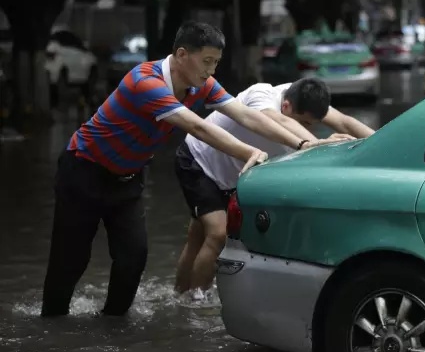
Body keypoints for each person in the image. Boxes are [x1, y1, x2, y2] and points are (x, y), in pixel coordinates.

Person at [41, 21, 345, 317]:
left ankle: (111, 325)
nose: (211, 70)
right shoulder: (144, 81)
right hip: (84, 171)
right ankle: (52, 324)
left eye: (216, 63)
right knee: (71, 259)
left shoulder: (203, 85)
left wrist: (303, 144)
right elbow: (198, 127)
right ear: (182, 55)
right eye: (207, 61)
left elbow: (246, 116)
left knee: (133, 257)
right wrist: (250, 151)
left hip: (128, 179)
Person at [174, 78, 375, 296]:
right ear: (286, 106)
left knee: (198, 237)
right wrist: (313, 145)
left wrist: (386, 143)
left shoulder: (305, 100)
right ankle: (197, 302)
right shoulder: (262, 95)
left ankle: (180, 296)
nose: (308, 128)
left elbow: (345, 122)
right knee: (218, 235)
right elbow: (277, 119)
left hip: (229, 175)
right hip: (199, 158)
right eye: (305, 123)